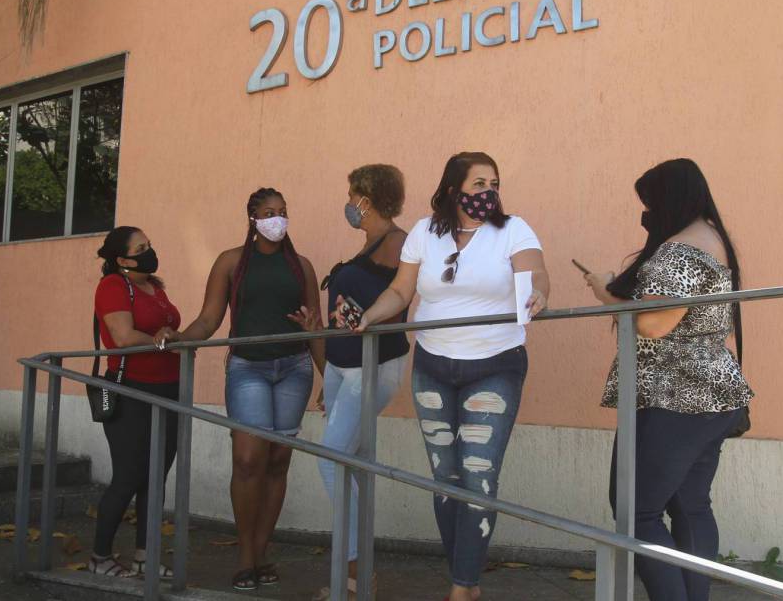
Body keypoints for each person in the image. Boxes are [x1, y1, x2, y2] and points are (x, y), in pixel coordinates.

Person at [355, 152, 550, 601]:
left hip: (495, 364)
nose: (488, 192)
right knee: (445, 479)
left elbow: (534, 271)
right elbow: (401, 290)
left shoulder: (512, 229)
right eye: (478, 183)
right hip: (433, 366)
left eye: (493, 183)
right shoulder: (425, 232)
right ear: (451, 189)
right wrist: (371, 316)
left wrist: (538, 291)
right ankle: (462, 577)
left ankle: (464, 587)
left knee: (479, 477)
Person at [584, 158, 753, 601]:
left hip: (674, 396)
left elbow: (654, 323)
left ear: (668, 200)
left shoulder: (679, 249)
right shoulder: (715, 239)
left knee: (636, 512)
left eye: (649, 203)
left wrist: (604, 290)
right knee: (690, 505)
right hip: (712, 395)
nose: (647, 214)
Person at [178, 188, 323, 591]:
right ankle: (244, 556)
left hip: (294, 368)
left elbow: (317, 328)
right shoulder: (231, 262)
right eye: (269, 212)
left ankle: (261, 553)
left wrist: (330, 377)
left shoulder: (302, 266)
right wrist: (180, 339)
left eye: (283, 211)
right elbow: (209, 318)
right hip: (248, 369)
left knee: (278, 461)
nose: (277, 219)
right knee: (246, 460)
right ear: (253, 218)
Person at [298, 164, 409, 601]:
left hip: (373, 366)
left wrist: (363, 317)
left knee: (331, 461)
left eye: (352, 195)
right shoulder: (366, 246)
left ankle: (358, 574)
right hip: (345, 369)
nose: (348, 204)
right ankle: (354, 578)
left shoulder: (398, 242)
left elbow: (398, 304)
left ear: (367, 198)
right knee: (350, 464)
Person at [90, 226, 182, 579]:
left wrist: (171, 335)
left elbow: (168, 327)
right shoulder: (113, 286)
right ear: (122, 259)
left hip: (168, 387)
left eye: (150, 244)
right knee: (129, 475)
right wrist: (161, 340)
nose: (149, 251)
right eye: (141, 248)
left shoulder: (154, 286)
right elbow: (123, 336)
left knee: (156, 476)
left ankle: (146, 555)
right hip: (130, 389)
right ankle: (100, 556)